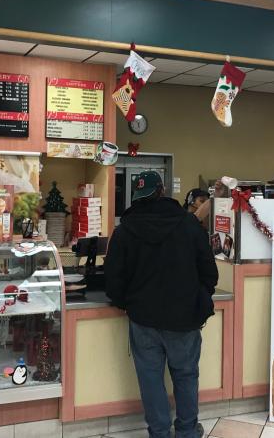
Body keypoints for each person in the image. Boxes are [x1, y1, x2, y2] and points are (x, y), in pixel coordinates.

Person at [105, 171, 218, 438]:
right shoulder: (189, 225)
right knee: (186, 375)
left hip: (143, 318)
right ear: (162, 191)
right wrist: (199, 296)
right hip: (185, 317)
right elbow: (209, 273)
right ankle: (187, 431)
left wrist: (124, 302)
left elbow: (113, 280)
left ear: (136, 196)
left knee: (150, 379)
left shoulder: (124, 231)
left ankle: (159, 432)